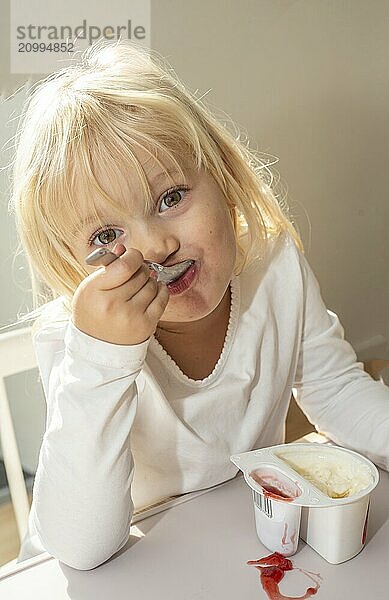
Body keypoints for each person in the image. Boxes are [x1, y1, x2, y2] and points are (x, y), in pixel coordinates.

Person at [9, 39, 389, 570]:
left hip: (235, 540)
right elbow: (78, 546)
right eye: (106, 236)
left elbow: (338, 391)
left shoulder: (274, 266)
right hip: (120, 562)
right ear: (74, 267)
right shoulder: (78, 344)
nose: (156, 246)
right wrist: (101, 360)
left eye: (170, 198)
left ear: (226, 181)